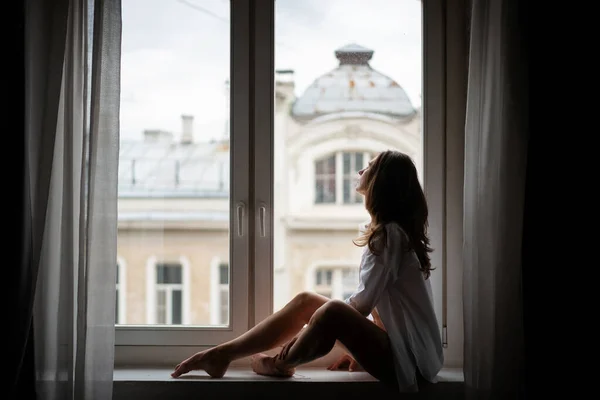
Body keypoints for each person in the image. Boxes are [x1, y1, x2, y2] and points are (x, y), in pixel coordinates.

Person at [171, 150, 444, 392]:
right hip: (405, 355)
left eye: (369, 166)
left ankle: (280, 364)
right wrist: (361, 345)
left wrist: (344, 337)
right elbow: (382, 309)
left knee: (333, 310)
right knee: (307, 301)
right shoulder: (392, 233)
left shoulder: (390, 236)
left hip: (411, 366)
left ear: (382, 182)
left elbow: (360, 306)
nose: (360, 170)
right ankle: (223, 354)